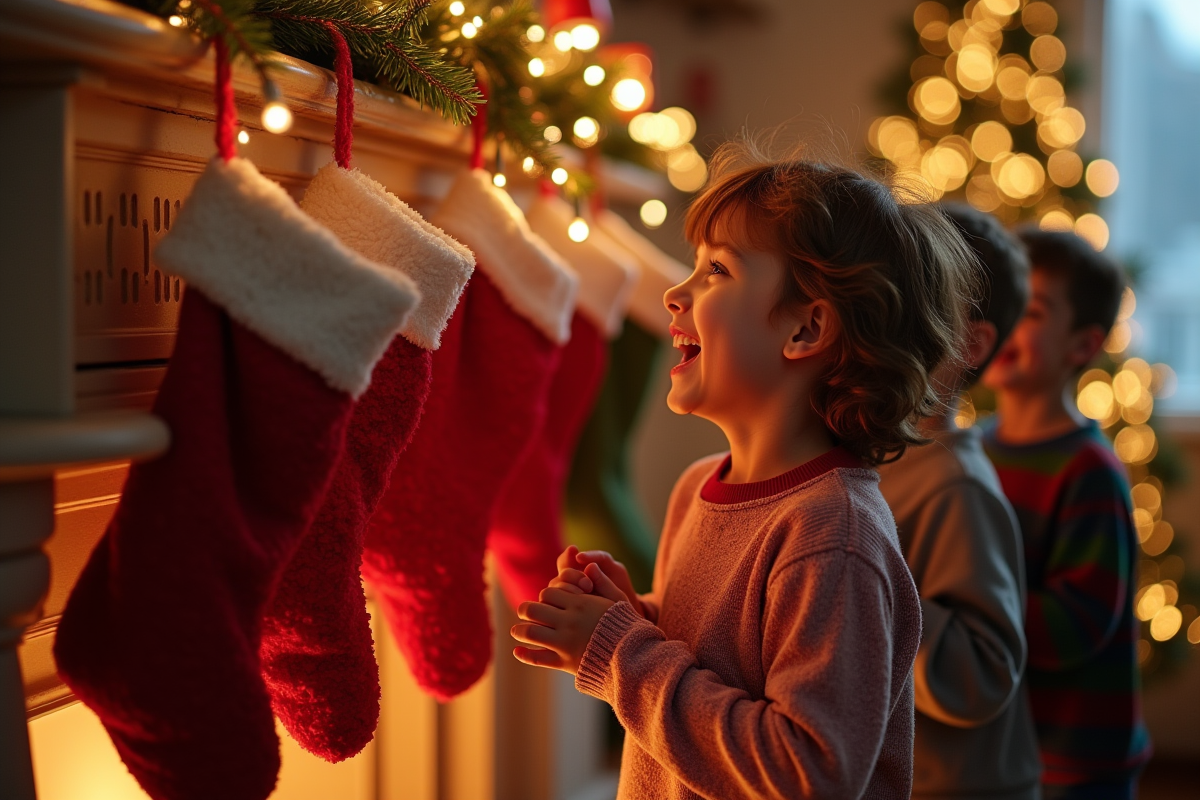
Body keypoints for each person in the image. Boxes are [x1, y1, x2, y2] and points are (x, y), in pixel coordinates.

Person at [509, 140, 979, 798]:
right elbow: (721, 665)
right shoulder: (698, 488)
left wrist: (620, 652)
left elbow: (809, 772)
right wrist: (632, 619)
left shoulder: (832, 537)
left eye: (717, 272)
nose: (676, 291)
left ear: (806, 329)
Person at [981, 229, 1152, 799]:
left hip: (1074, 762)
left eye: (1029, 310)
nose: (1007, 320)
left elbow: (1074, 625)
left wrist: (967, 607)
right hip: (1003, 748)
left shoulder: (1089, 472)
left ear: (1082, 346)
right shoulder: (972, 451)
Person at [877, 204, 1040, 800]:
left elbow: (982, 674)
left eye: (912, 302)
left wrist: (870, 591)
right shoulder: (876, 459)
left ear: (970, 344)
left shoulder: (955, 486)